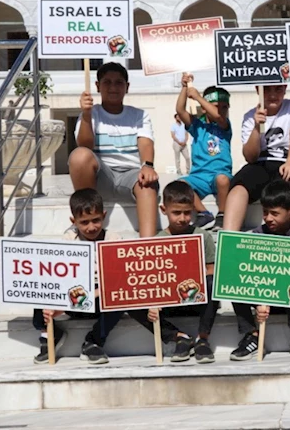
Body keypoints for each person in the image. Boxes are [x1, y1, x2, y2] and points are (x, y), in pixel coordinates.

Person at [37, 189, 195, 364]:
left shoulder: (114, 240)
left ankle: (93, 342)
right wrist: (57, 304)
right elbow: (62, 281)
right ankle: (49, 334)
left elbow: (117, 282)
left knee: (121, 296)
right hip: (76, 300)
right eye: (84, 222)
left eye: (96, 220)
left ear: (104, 216)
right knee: (37, 291)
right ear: (73, 221)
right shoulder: (68, 241)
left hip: (102, 299)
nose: (91, 227)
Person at [69, 62, 158, 237]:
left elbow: (146, 142)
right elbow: (85, 146)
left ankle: (149, 244)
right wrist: (86, 115)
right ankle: (85, 220)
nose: (113, 87)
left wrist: (147, 165)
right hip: (101, 178)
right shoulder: (90, 113)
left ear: (127, 87)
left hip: (131, 176)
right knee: (79, 156)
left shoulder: (139, 115)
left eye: (119, 83)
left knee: (148, 182)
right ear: (97, 86)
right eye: (107, 82)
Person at [230, 181, 290, 361]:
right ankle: (251, 334)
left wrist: (273, 293)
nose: (268, 218)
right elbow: (252, 274)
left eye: (275, 213)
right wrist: (260, 298)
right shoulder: (257, 235)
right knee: (232, 283)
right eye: (265, 212)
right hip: (262, 295)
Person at [222, 85, 290, 233]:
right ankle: (228, 237)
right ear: (258, 90)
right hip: (260, 164)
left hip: (287, 162)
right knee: (239, 185)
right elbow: (250, 156)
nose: (273, 95)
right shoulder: (250, 116)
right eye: (267, 90)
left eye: (278, 89)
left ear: (285, 89)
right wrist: (256, 127)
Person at [154, 181, 218, 363]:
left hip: (196, 297)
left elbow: (211, 269)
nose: (182, 218)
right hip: (169, 301)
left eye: (187, 212)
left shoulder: (202, 236)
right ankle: (179, 336)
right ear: (163, 210)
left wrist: (192, 281)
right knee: (132, 300)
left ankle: (202, 339)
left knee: (213, 282)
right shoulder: (157, 241)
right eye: (176, 213)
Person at [175, 74, 233, 230]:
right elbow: (180, 110)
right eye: (215, 105)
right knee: (181, 184)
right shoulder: (197, 125)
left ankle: (222, 214)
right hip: (199, 175)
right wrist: (185, 87)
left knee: (222, 180)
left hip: (220, 173)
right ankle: (204, 213)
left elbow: (218, 117)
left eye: (224, 107)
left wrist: (199, 98)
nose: (220, 110)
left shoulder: (224, 124)